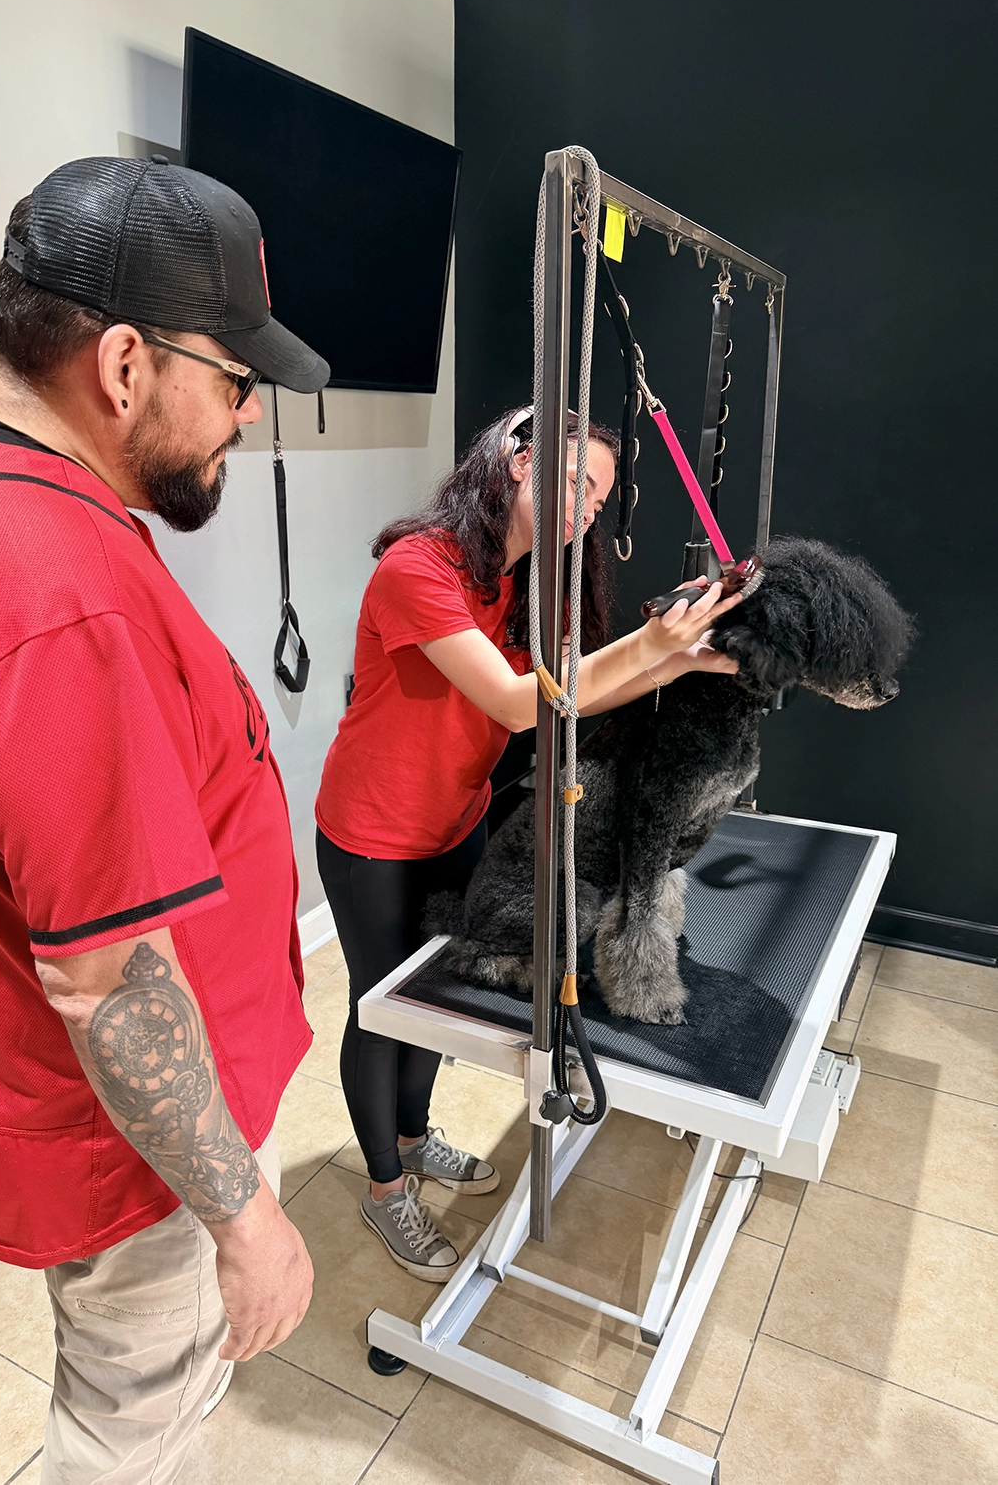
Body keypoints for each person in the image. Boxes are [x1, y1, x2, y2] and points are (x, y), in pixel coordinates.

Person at [0, 156, 330, 1484]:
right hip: (132, 1170)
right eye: (234, 382)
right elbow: (109, 983)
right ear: (125, 365)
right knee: (130, 1439)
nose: (244, 416)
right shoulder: (54, 596)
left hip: (74, 1121)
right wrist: (243, 1216)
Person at [314, 407, 741, 1280]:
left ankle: (412, 1138)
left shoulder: (523, 581)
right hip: (373, 833)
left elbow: (566, 694)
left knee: (438, 999)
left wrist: (680, 660)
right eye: (576, 485)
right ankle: (386, 1190)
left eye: (598, 498)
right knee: (382, 1007)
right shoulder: (416, 567)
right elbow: (520, 707)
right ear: (517, 463)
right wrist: (649, 647)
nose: (587, 509)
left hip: (457, 820)